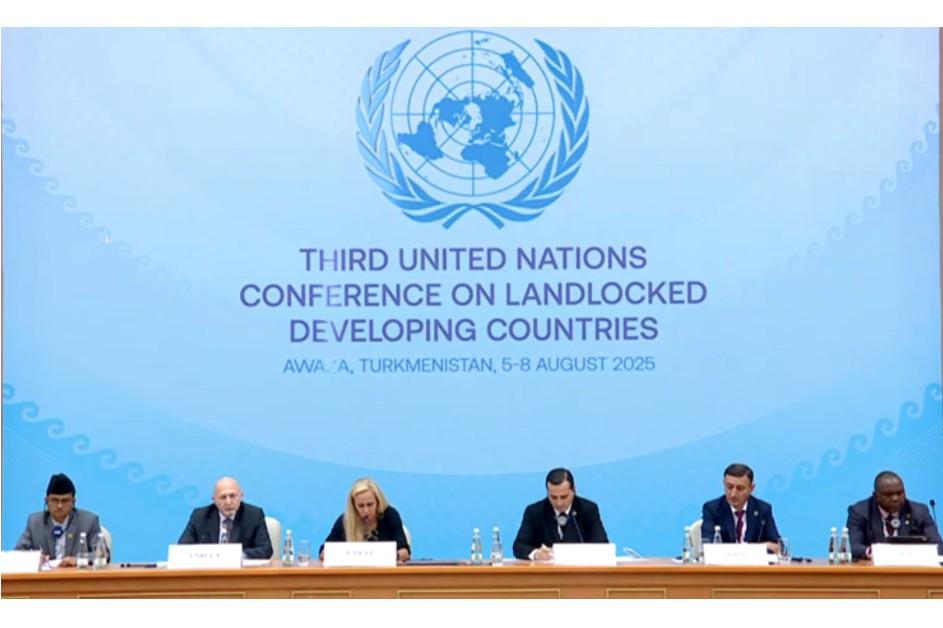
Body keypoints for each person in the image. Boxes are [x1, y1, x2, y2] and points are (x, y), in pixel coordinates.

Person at [512, 467, 609, 561]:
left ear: (574, 491)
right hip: (547, 571)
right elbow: (519, 546)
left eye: (564, 497)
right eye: (553, 497)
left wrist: (569, 553)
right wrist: (536, 554)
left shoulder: (588, 509)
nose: (559, 503)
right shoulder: (535, 512)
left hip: (580, 570)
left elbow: (602, 545)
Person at [846, 470, 942, 560]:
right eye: (888, 495)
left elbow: (938, 546)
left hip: (910, 568)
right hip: (874, 569)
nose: (895, 499)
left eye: (900, 493)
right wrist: (874, 552)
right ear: (875, 496)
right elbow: (852, 547)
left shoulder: (919, 512)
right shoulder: (860, 512)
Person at [14, 473, 107, 566]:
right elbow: (17, 554)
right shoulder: (34, 522)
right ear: (46, 501)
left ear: (73, 502)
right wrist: (35, 558)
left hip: (75, 574)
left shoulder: (89, 521)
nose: (59, 505)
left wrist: (78, 559)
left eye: (65, 500)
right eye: (55, 500)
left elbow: (104, 555)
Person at [178, 476, 273, 559]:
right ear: (214, 500)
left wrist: (236, 555)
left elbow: (266, 550)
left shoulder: (253, 515)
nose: (228, 502)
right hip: (210, 570)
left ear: (241, 496)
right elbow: (182, 549)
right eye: (223, 497)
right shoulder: (200, 516)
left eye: (232, 496)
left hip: (241, 571)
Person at [319, 478, 410, 562]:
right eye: (361, 506)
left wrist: (389, 557)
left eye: (370, 504)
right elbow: (324, 551)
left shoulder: (389, 516)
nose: (366, 510)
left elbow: (405, 552)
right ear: (354, 506)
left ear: (378, 502)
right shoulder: (345, 521)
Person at [701, 463, 781, 552]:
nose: (733, 494)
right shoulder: (712, 509)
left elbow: (776, 546)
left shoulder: (762, 509)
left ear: (751, 488)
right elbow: (708, 545)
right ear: (724, 484)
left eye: (740, 488)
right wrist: (751, 548)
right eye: (729, 487)